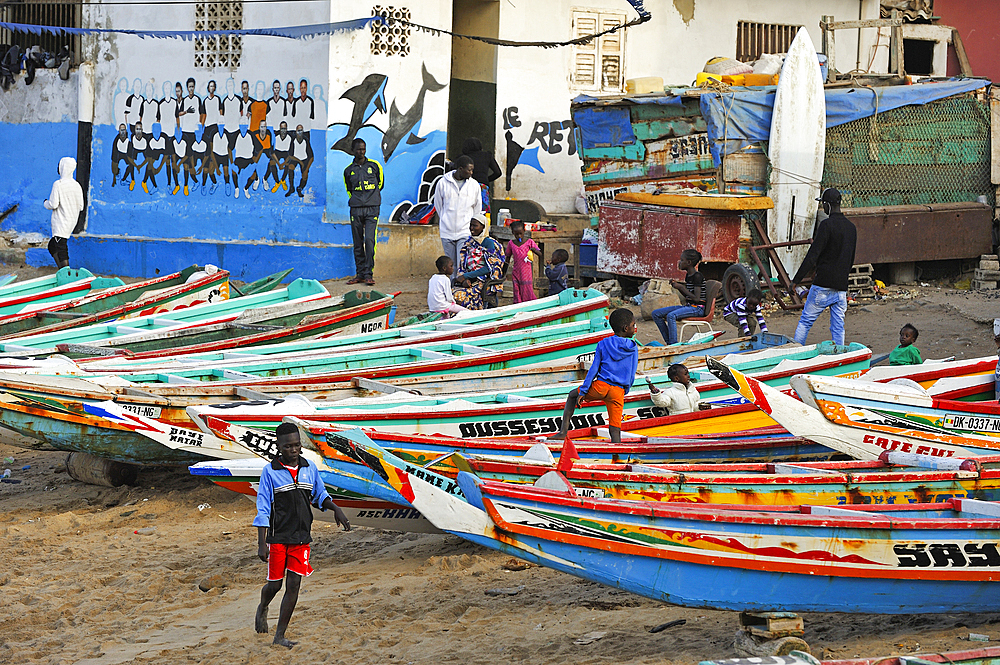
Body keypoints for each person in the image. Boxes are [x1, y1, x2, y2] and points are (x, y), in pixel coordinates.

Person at [253, 422, 350, 649]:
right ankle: (263, 606)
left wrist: (336, 509)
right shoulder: (270, 472)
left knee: (294, 585)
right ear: (279, 446)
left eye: (297, 445)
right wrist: (261, 543)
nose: (293, 450)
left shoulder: (309, 468)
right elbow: (263, 508)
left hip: (302, 538)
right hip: (278, 538)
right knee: (275, 586)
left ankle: (280, 636)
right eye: (288, 446)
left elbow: (319, 494)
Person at [552, 308, 638, 444]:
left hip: (600, 387)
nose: (635, 328)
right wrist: (625, 390)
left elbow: (593, 370)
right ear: (626, 328)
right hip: (618, 391)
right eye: (633, 325)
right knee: (615, 428)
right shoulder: (633, 347)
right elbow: (632, 372)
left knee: (572, 395)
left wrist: (584, 391)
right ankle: (617, 454)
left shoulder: (603, 343)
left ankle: (563, 432)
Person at [791, 187, 857, 346]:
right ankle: (839, 358)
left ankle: (795, 353)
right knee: (838, 327)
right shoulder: (851, 228)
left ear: (827, 205)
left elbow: (813, 255)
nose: (823, 208)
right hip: (841, 287)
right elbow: (851, 258)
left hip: (823, 286)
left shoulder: (826, 226)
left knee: (805, 321)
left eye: (823, 205)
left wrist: (796, 281)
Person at [433, 154, 481, 278]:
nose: (471, 172)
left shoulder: (474, 185)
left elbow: (477, 207)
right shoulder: (443, 182)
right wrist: (445, 219)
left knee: (462, 264)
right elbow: (438, 205)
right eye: (469, 170)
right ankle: (451, 291)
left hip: (464, 231)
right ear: (460, 169)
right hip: (446, 231)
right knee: (449, 265)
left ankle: (459, 292)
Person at [343, 138, 384, 286]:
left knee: (369, 241)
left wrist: (369, 199)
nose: (361, 152)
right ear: (353, 150)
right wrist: (358, 200)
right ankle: (360, 274)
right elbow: (349, 189)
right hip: (356, 209)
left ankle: (368, 274)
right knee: (358, 242)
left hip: (372, 208)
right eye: (359, 149)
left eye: (363, 149)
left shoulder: (374, 166)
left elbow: (380, 184)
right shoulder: (348, 170)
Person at [652, 249, 706, 345]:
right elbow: (688, 296)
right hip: (689, 306)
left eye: (682, 260)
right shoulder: (688, 276)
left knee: (671, 316)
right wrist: (678, 287)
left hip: (697, 308)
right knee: (656, 314)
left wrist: (681, 287)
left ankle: (673, 344)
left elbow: (697, 299)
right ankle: (669, 341)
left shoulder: (697, 276)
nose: (679, 262)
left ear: (688, 262)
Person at [453, 213, 505, 310]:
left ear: (483, 227)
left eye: (475, 225)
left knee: (459, 295)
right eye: (471, 225)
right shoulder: (469, 242)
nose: (471, 228)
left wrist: (466, 276)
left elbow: (489, 268)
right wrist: (464, 279)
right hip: (470, 279)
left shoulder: (489, 243)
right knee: (451, 293)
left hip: (484, 280)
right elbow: (463, 264)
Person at [43, 157, 84, 269]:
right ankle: (62, 270)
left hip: (61, 221)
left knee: (60, 246)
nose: (58, 168)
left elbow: (53, 204)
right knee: (53, 245)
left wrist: (45, 203)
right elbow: (81, 206)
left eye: (59, 165)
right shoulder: (77, 185)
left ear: (63, 167)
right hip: (71, 220)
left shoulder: (58, 184)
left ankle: (66, 272)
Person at [503, 220, 542, 303]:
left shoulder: (529, 242)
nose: (519, 236)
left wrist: (534, 250)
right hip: (516, 271)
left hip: (526, 272)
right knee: (517, 291)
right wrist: (504, 272)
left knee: (526, 290)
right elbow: (507, 258)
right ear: (513, 233)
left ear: (524, 231)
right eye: (516, 234)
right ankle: (518, 306)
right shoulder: (511, 243)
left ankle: (530, 305)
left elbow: (540, 254)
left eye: (520, 233)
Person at [461, 137, 501, 213]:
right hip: (482, 187)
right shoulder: (487, 156)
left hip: (467, 187)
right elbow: (498, 173)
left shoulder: (464, 158)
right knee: (483, 213)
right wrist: (486, 180)